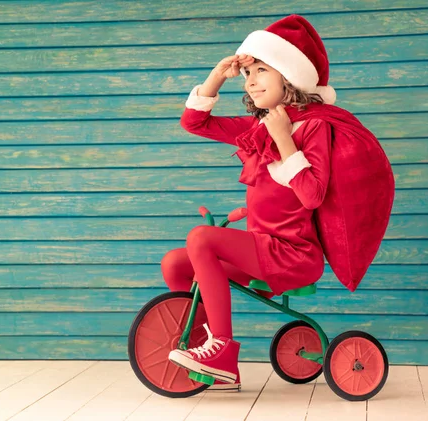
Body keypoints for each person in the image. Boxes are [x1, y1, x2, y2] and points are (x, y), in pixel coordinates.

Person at [163, 14, 338, 390]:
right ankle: (202, 351)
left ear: (289, 77)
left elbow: (312, 195)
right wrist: (216, 77)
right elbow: (195, 123)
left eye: (262, 69)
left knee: (201, 238)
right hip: (263, 250)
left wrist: (285, 140)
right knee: (176, 262)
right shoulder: (257, 127)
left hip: (292, 256)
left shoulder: (313, 126)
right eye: (248, 73)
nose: (251, 80)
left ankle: (223, 350)